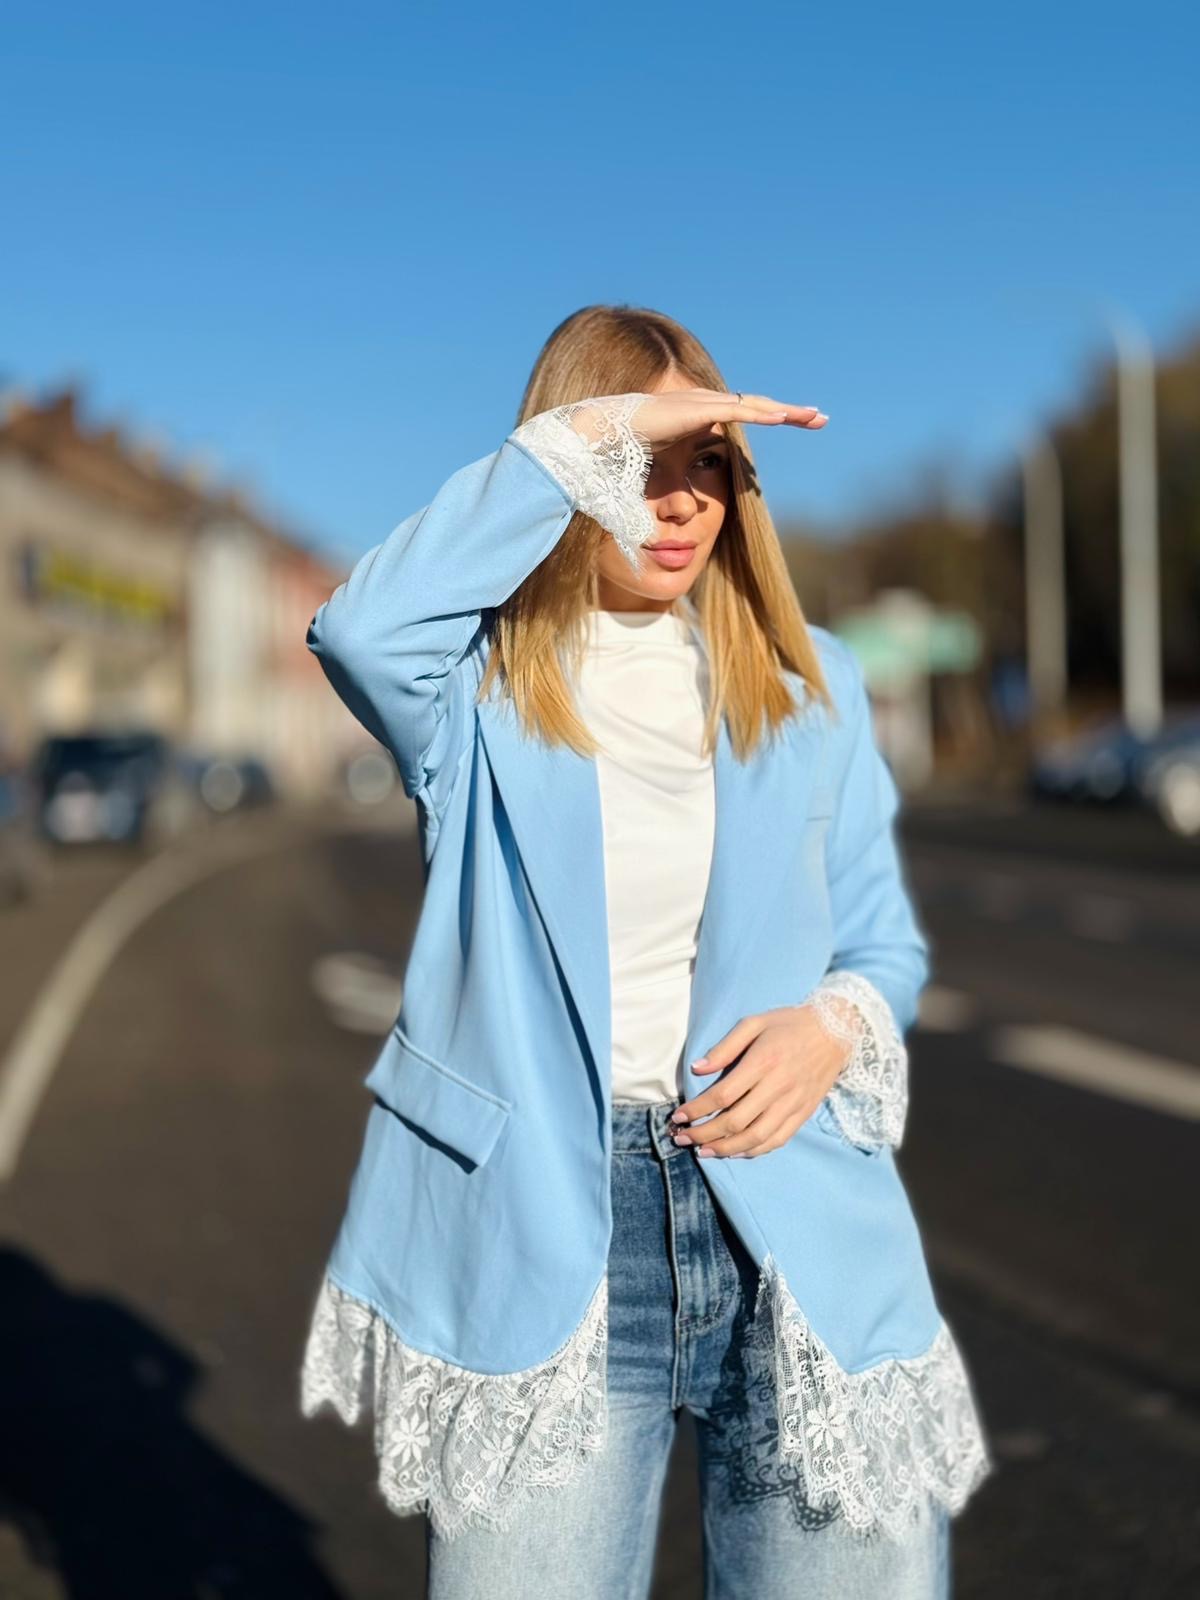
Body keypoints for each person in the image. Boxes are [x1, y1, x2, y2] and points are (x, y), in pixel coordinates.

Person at [298, 304, 990, 1598]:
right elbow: (355, 628)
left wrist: (829, 1024)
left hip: (789, 1226)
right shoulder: (475, 689)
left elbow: (882, 941)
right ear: (573, 464)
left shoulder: (812, 683)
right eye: (641, 466)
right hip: (549, 1240)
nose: (678, 504)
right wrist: (596, 430)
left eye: (707, 464)